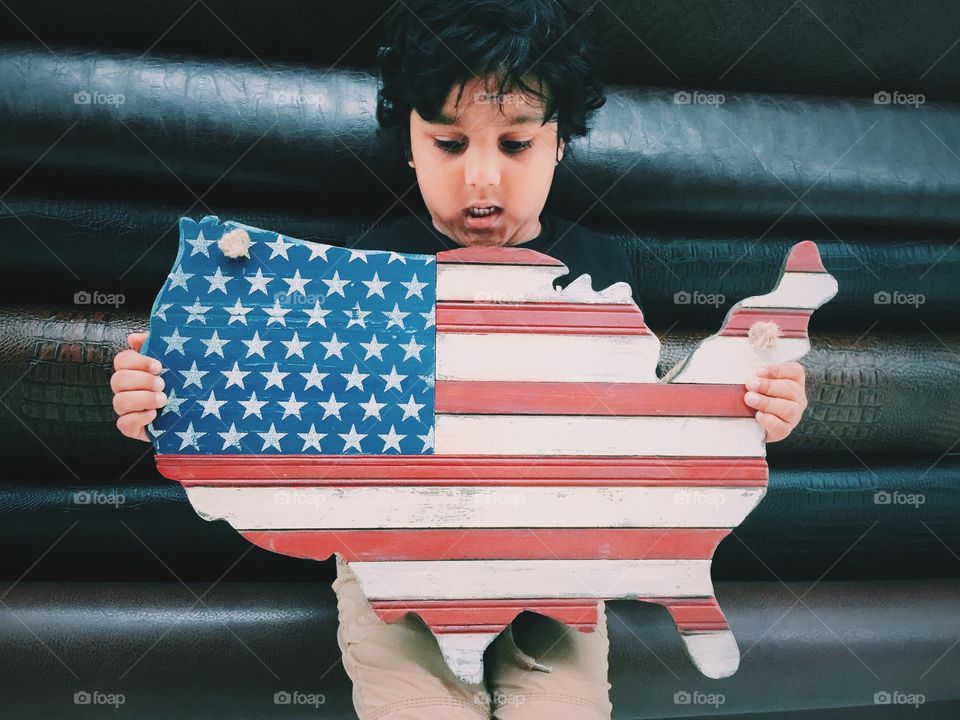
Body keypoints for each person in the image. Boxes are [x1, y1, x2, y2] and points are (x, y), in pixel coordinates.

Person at [112, 2, 809, 717]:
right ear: (411, 145)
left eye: (515, 145)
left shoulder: (601, 265)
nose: (482, 179)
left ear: (559, 141)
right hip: (401, 585)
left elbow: (651, 423)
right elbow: (280, 405)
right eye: (449, 143)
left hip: (559, 581)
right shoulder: (369, 270)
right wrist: (167, 404)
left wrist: (751, 413)